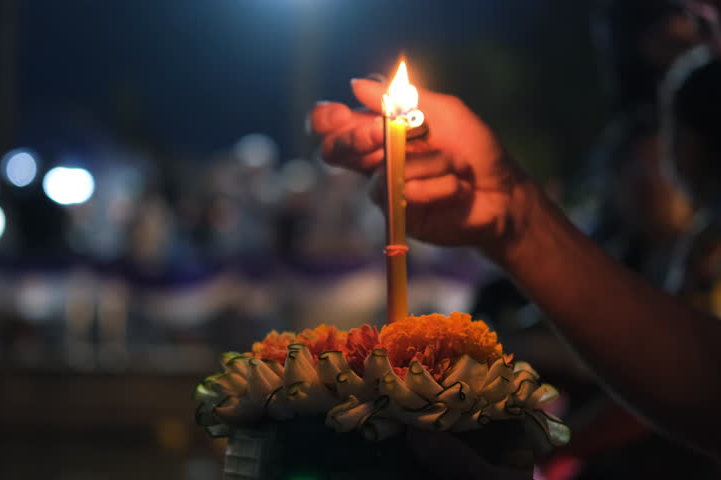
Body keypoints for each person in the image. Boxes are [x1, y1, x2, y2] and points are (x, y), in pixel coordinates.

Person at [309, 74, 721, 459]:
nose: (647, 182)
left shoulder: (704, 253)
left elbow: (702, 386)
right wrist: (515, 220)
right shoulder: (635, 243)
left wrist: (558, 448)